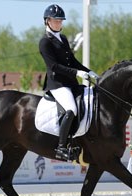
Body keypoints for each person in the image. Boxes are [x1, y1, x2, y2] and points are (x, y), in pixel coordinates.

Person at [39, 4, 99, 161]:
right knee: (71, 109)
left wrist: (88, 71)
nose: (59, 23)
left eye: (60, 20)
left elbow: (72, 61)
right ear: (47, 21)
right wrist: (76, 73)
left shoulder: (63, 39)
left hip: (70, 82)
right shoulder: (45, 42)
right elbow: (54, 66)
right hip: (57, 84)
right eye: (56, 20)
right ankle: (61, 147)